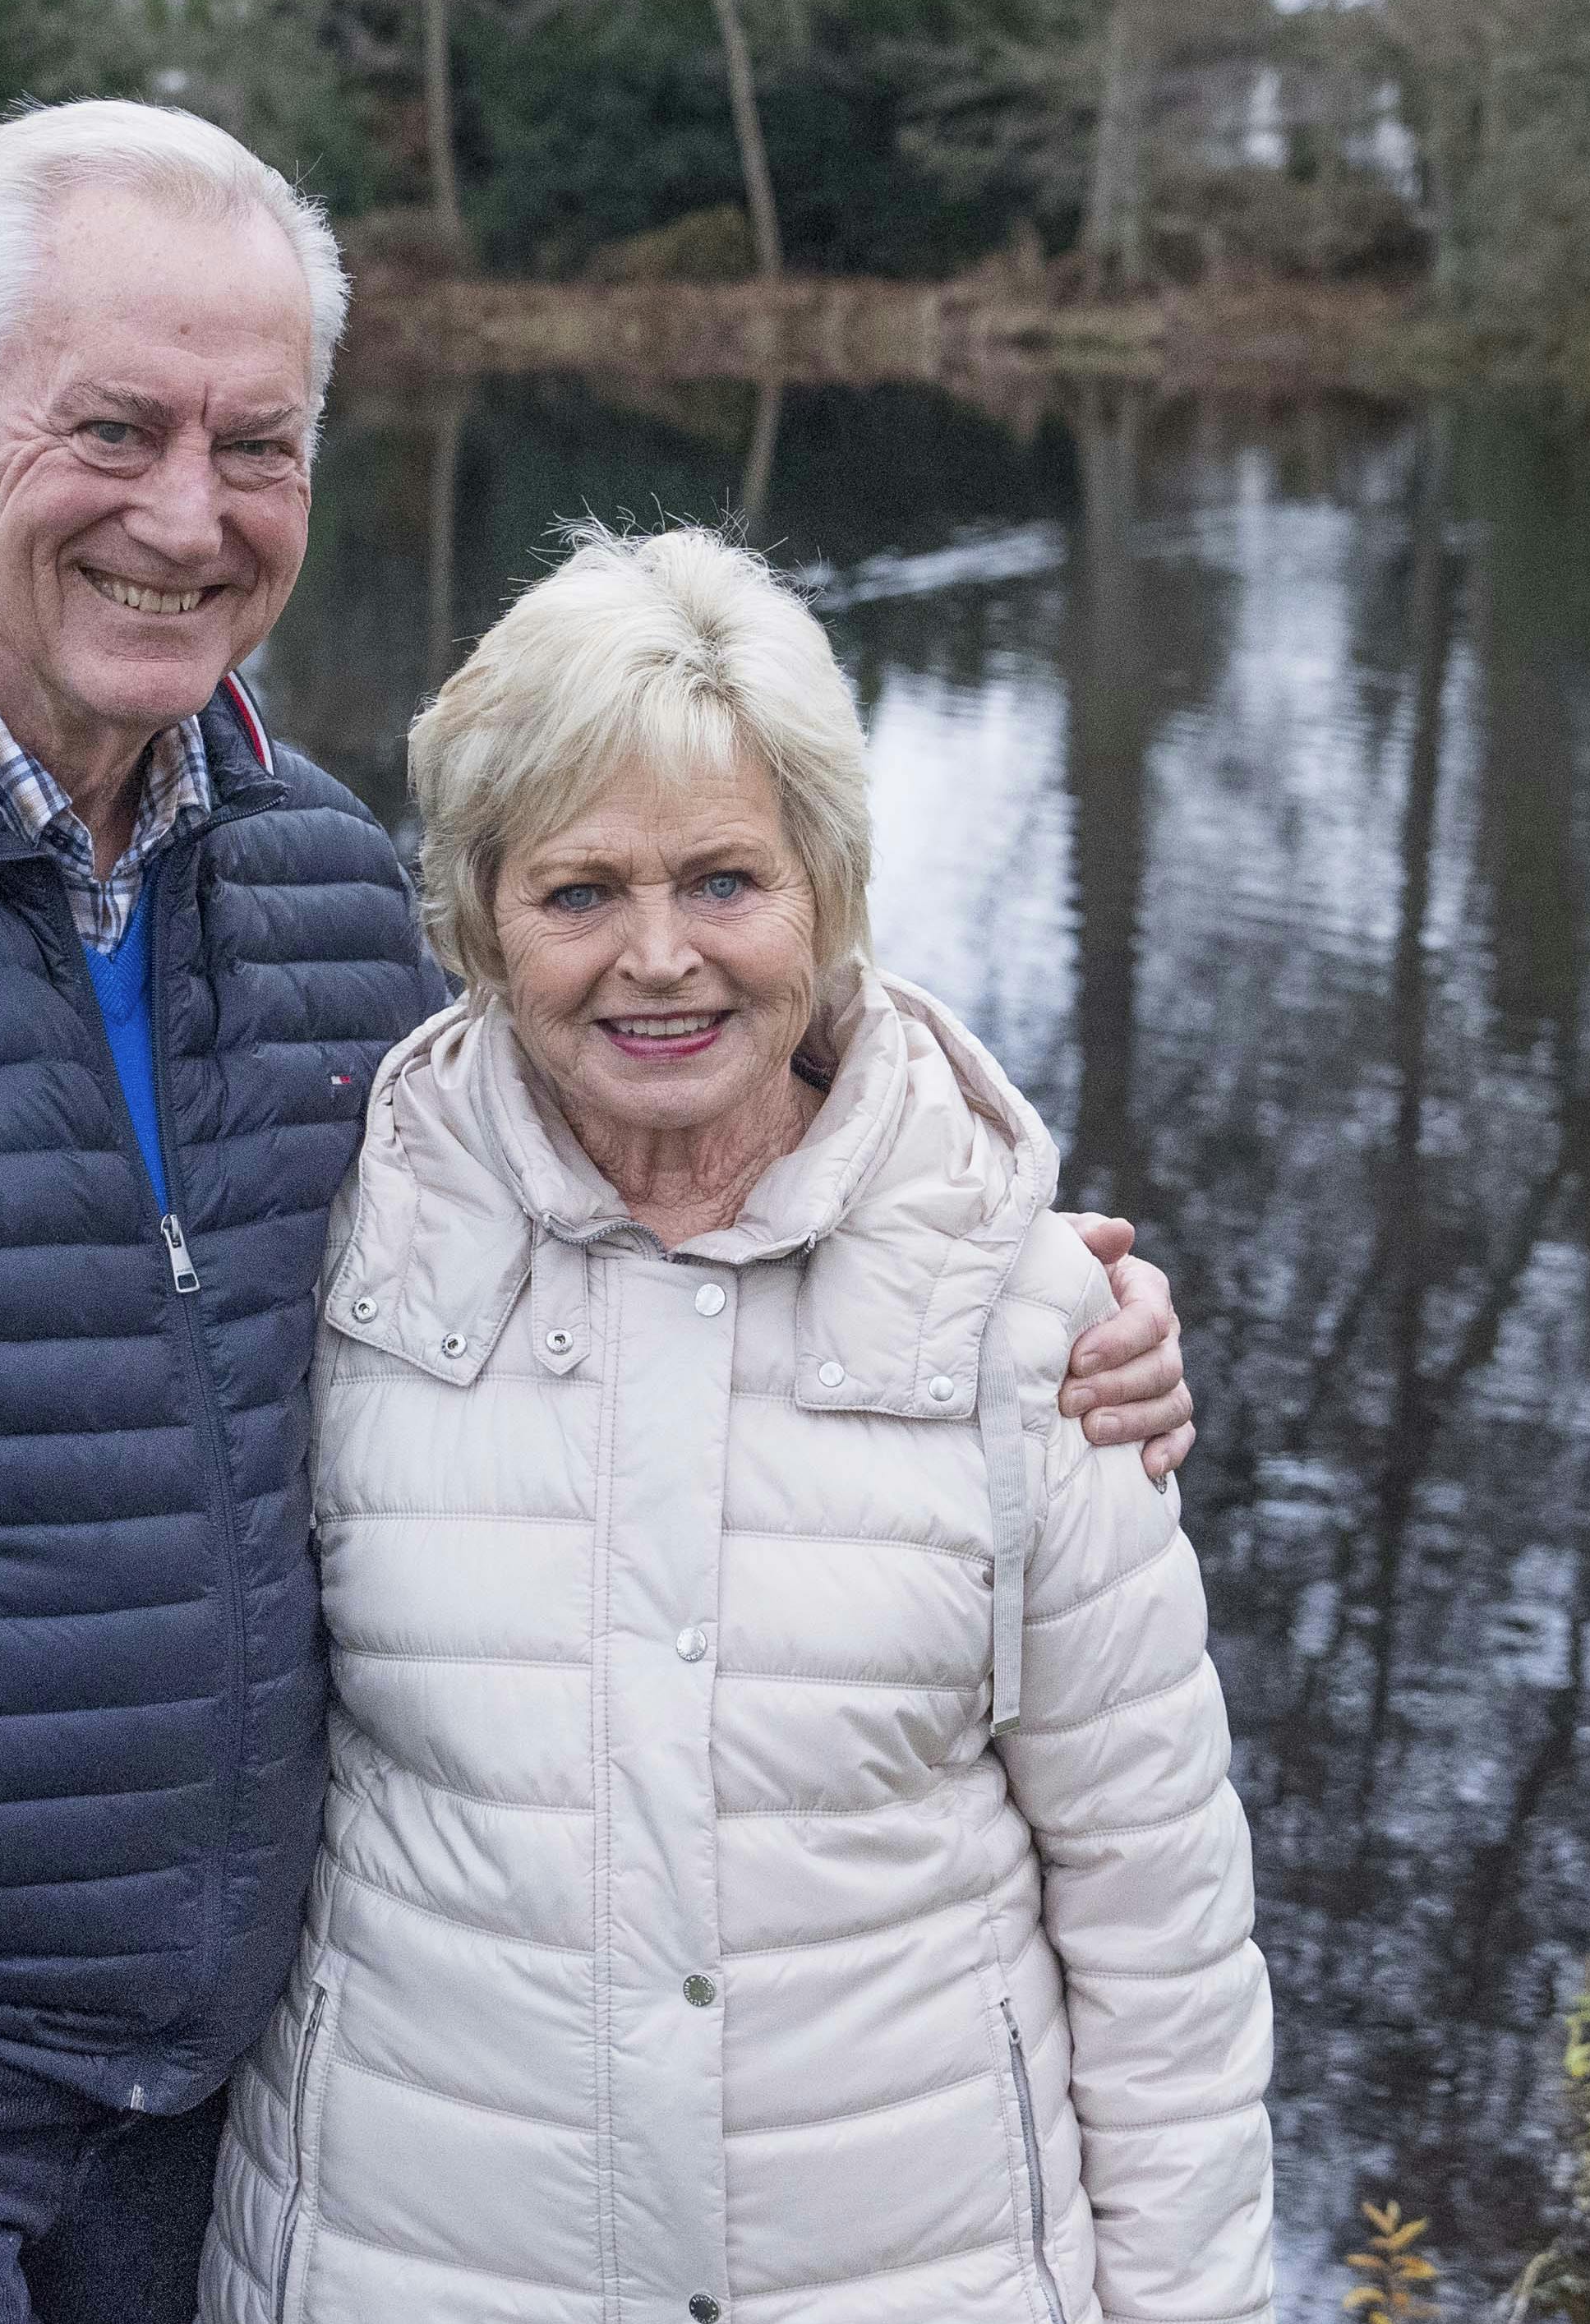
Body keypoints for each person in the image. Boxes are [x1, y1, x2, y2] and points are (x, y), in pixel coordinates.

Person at [0, 101, 1196, 2324]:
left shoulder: (320, 878)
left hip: (238, 2082)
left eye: (256, 443)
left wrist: (1007, 1278)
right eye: (118, 428)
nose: (186, 515)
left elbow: (636, 1184)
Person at [197, 528, 1274, 2324]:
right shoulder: (333, 1254)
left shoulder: (1031, 1329)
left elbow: (1162, 1940)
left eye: (723, 883)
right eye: (577, 894)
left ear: (830, 895)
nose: (656, 962)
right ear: (474, 921)